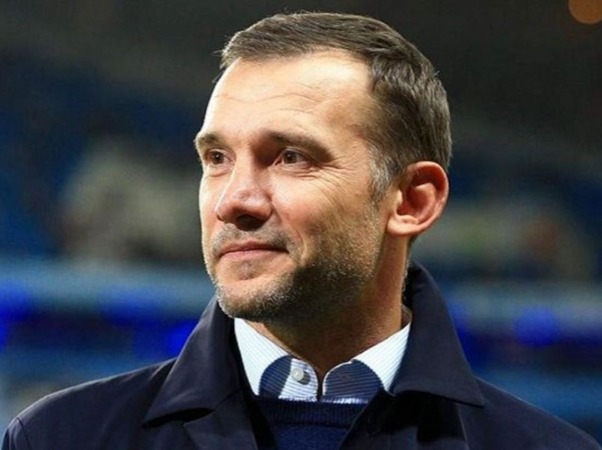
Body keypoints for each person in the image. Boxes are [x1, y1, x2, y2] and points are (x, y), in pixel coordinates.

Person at [3, 11, 600, 450]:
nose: (234, 200)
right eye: (217, 159)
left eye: (290, 157)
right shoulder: (60, 438)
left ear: (412, 201)